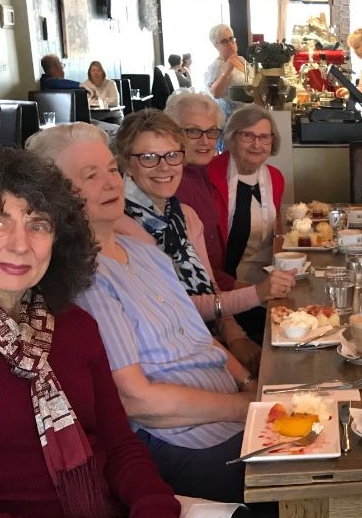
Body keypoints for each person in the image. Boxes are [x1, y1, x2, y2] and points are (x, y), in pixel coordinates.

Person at [0, 148, 194, 518]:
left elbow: (120, 446)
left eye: (38, 225)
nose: (21, 245)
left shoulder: (75, 325)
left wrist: (158, 517)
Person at [25, 124, 262, 505]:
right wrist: (246, 407)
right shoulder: (84, 280)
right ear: (53, 197)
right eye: (90, 176)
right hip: (184, 441)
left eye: (111, 170)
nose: (110, 183)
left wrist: (252, 384)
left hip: (232, 413)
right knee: (325, 477)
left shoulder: (147, 255)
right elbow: (136, 401)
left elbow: (204, 341)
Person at [113, 109, 296, 373]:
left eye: (172, 156)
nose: (164, 167)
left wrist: (236, 339)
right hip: (172, 361)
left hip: (210, 338)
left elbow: (209, 292)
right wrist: (257, 294)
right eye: (149, 157)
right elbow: (185, 312)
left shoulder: (185, 216)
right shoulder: (124, 230)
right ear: (126, 164)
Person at [166, 92, 237, 291]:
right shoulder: (171, 183)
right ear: (171, 132)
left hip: (219, 287)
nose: (205, 141)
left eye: (212, 131)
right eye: (193, 132)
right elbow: (188, 273)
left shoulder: (199, 170)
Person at [208, 105, 285, 288]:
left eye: (264, 137)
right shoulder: (210, 175)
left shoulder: (275, 178)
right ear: (232, 137)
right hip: (221, 286)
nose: (256, 145)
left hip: (265, 279)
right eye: (247, 136)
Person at [204, 24, 248, 122]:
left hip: (249, 116)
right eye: (224, 41)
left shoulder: (242, 60)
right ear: (216, 46)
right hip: (231, 121)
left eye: (231, 39)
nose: (230, 43)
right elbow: (215, 93)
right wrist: (228, 69)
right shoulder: (216, 66)